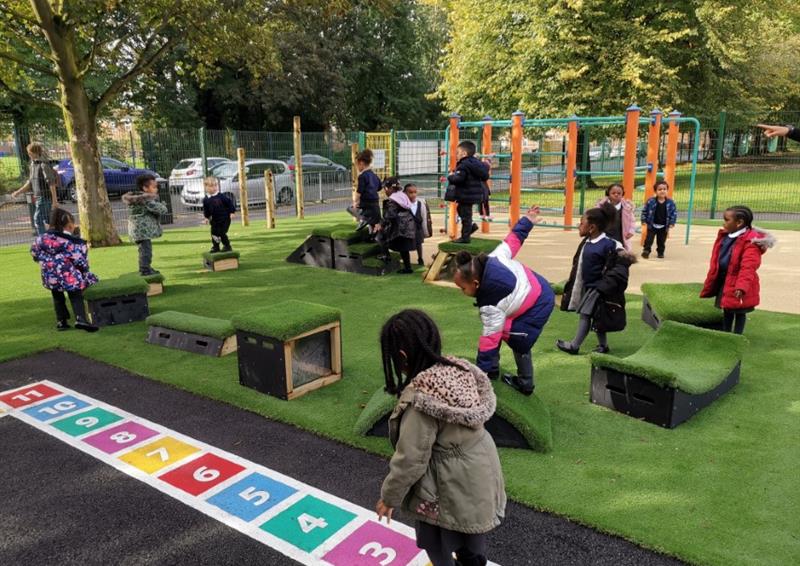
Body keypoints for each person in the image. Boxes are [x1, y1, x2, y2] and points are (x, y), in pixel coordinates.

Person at [376, 309, 506, 566]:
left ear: (402, 357)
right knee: (470, 536)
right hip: (481, 474)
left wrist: (389, 497)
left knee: (433, 539)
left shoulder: (421, 401)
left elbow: (410, 460)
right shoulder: (460, 370)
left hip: (448, 483)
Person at [453, 206, 555, 395]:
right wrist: (527, 221)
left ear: (475, 283)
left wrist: (479, 376)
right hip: (535, 287)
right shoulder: (493, 257)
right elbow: (513, 240)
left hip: (538, 302)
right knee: (499, 328)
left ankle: (525, 383)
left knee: (518, 339)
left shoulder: (491, 304)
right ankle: (492, 369)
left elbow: (489, 340)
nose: (461, 292)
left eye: (463, 288)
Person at [556, 203, 635, 355]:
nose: (579, 226)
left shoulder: (610, 245)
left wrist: (605, 285)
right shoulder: (586, 242)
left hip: (598, 288)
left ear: (592, 228)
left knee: (585, 315)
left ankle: (574, 346)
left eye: (582, 223)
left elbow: (622, 266)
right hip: (589, 286)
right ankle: (603, 346)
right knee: (598, 317)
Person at [700, 205, 774, 334]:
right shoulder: (727, 236)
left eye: (727, 220)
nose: (724, 223)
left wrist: (742, 286)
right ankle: (726, 333)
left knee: (740, 311)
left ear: (739, 223)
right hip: (726, 279)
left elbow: (748, 267)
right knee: (727, 308)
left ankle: (737, 335)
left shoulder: (750, 242)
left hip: (740, 283)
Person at [30, 207, 99, 332]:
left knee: (57, 295)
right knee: (75, 294)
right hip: (68, 274)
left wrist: (46, 262)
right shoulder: (71, 241)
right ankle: (81, 319)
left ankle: (61, 321)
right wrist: (85, 271)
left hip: (50, 274)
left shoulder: (41, 238)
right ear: (69, 225)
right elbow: (80, 260)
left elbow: (34, 254)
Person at [123, 174, 167, 275]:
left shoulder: (137, 198)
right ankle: (145, 270)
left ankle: (146, 267)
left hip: (138, 231)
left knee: (144, 250)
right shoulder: (145, 200)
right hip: (142, 232)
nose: (156, 189)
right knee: (146, 251)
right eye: (154, 187)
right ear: (145, 188)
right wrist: (163, 205)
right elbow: (161, 210)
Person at [12, 142, 59, 236]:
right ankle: (55, 238)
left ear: (35, 153)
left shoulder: (43, 165)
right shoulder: (33, 165)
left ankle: (43, 240)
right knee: (48, 220)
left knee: (38, 219)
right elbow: (30, 183)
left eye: (30, 153)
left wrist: (55, 201)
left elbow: (51, 183)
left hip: (44, 198)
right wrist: (18, 192)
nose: (28, 155)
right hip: (38, 198)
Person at [447, 141, 489, 244]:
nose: (456, 155)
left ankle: (465, 237)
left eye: (458, 153)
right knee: (463, 211)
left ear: (464, 154)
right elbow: (484, 174)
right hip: (473, 194)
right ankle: (470, 227)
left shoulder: (463, 165)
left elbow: (459, 179)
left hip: (465, 195)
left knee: (465, 215)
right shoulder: (477, 163)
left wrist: (451, 176)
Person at [376, 177, 416, 273]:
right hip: (408, 226)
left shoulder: (393, 200)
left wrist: (380, 224)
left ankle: (386, 256)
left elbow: (390, 215)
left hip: (399, 227)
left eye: (385, 188)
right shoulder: (402, 196)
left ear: (390, 188)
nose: (385, 191)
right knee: (404, 249)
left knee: (379, 237)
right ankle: (408, 268)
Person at [640, 180, 677, 259]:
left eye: (664, 189)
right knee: (649, 239)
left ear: (667, 190)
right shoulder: (651, 201)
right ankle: (646, 251)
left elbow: (674, 213)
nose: (662, 191)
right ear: (655, 191)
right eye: (660, 189)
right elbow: (645, 211)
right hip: (652, 225)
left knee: (661, 241)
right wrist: (643, 220)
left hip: (664, 226)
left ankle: (660, 252)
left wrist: (672, 222)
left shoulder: (671, 203)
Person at [596, 182, 635, 250]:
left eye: (619, 193)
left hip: (619, 234)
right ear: (608, 193)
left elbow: (632, 220)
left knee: (618, 251)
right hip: (604, 233)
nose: (616, 195)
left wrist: (631, 231)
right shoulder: (602, 206)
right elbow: (595, 217)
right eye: (613, 193)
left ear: (622, 194)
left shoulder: (626, 207)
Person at [351, 149, 382, 234]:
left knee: (350, 209)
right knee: (375, 223)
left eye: (357, 165)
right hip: (375, 202)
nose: (357, 168)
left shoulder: (362, 176)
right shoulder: (374, 175)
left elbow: (359, 191)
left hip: (366, 203)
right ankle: (372, 237)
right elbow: (379, 187)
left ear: (361, 163)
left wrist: (355, 201)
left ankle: (363, 219)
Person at [202, 176, 235, 252]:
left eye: (215, 185)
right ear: (206, 187)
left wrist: (232, 212)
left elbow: (229, 203)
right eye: (211, 186)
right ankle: (216, 247)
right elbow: (206, 210)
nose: (214, 188)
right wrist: (206, 218)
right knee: (214, 233)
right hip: (214, 220)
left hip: (225, 219)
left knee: (221, 232)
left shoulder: (221, 196)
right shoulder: (206, 199)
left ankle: (227, 246)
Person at [404, 183, 432, 266]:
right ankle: (407, 262)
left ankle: (420, 258)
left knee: (419, 243)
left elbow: (424, 217)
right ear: (405, 193)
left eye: (415, 192)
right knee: (406, 245)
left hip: (418, 228)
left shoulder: (420, 203)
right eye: (410, 192)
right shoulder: (404, 204)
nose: (413, 194)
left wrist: (425, 231)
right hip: (407, 229)